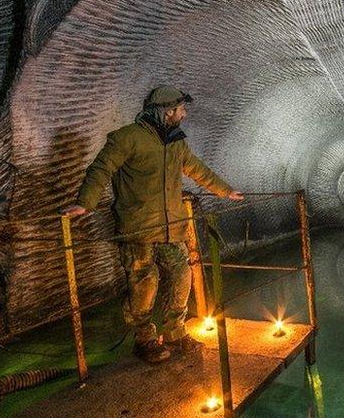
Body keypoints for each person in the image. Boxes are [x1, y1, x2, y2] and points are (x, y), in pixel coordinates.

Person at [63, 86, 243, 363]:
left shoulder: (175, 143)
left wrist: (225, 191)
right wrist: (86, 202)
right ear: (168, 111)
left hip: (172, 226)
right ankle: (145, 338)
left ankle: (175, 332)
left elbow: (197, 169)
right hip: (139, 229)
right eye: (181, 109)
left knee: (182, 275)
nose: (184, 114)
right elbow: (101, 168)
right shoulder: (127, 138)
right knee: (144, 283)